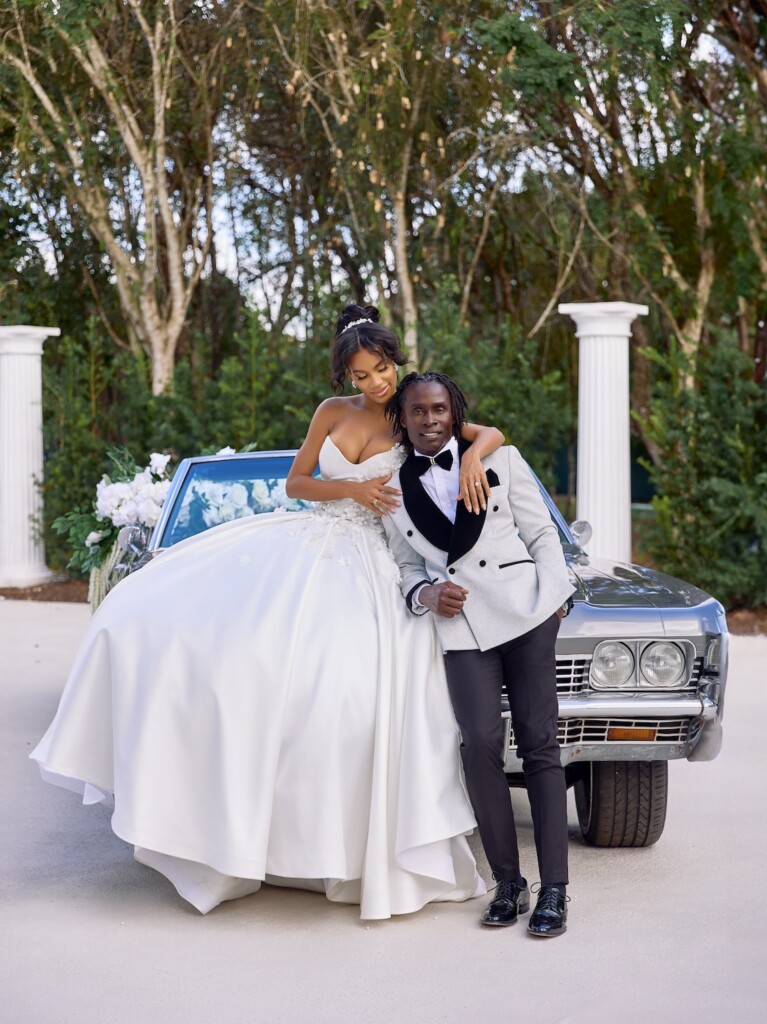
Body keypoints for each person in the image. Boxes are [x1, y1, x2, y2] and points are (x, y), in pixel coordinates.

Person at [30, 305, 504, 920]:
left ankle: (350, 849)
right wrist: (353, 488)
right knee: (220, 644)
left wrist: (471, 457)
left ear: (396, 362)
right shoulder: (330, 413)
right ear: (346, 378)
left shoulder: (414, 410)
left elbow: (490, 435)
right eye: (360, 375)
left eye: (381, 369)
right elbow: (296, 482)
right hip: (312, 542)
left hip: (380, 559)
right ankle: (245, 835)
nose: (374, 383)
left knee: (350, 691)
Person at [381, 371, 577, 938]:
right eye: (417, 411)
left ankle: (555, 890)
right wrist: (426, 595)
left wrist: (554, 596)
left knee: (541, 745)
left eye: (439, 408)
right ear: (404, 419)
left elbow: (543, 536)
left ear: (454, 409)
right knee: (480, 746)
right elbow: (407, 567)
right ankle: (509, 882)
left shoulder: (501, 460)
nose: (430, 419)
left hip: (525, 614)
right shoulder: (394, 490)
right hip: (462, 629)